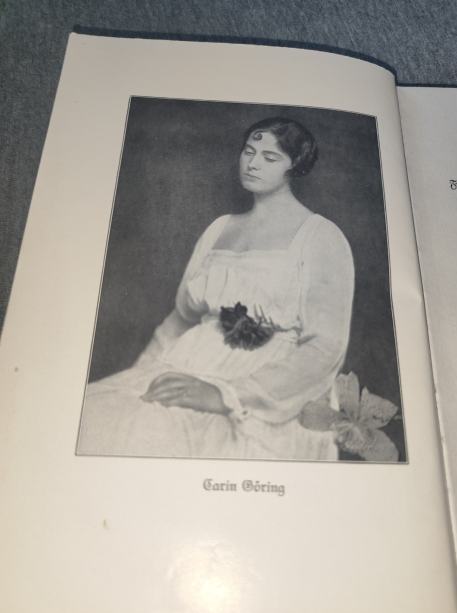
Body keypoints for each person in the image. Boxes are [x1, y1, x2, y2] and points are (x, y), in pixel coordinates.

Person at [77, 117, 355, 461]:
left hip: (262, 393)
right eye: (249, 151)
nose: (253, 163)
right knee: (99, 414)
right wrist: (141, 373)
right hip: (186, 363)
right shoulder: (219, 228)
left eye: (270, 157)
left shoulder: (321, 236)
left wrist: (225, 394)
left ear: (295, 165)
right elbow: (180, 320)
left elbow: (325, 347)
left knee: (151, 435)